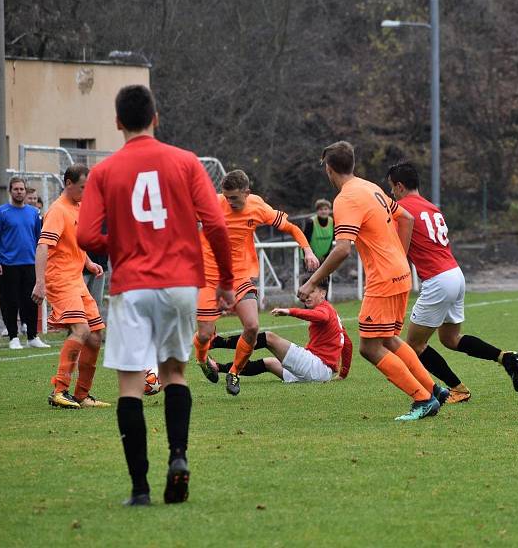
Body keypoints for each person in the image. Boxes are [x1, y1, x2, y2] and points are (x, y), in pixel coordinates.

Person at [77, 84, 235, 507]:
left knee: (130, 385)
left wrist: (122, 245)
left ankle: (140, 489)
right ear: (156, 118)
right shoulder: (184, 162)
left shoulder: (105, 172)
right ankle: (178, 458)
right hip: (180, 284)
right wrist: (225, 281)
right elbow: (216, 225)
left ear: (116, 123)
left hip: (131, 286)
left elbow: (86, 235)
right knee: (174, 375)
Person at [298, 141, 448, 422]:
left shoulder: (345, 199)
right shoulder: (371, 187)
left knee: (369, 347)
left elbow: (342, 248)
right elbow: (406, 217)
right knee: (388, 339)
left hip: (384, 278)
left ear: (329, 169)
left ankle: (422, 398)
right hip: (401, 273)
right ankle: (433, 389)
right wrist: (399, 257)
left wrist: (311, 282)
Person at [387, 162, 518, 403]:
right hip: (455, 274)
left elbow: (401, 249)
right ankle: (505, 357)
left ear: (399, 186)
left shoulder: (402, 209)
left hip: (438, 280)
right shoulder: (432, 208)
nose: (390, 193)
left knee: (414, 345)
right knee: (450, 339)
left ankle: (457, 389)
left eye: (391, 188)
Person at [194, 169, 320, 397]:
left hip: (240, 275)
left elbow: (290, 227)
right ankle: (203, 360)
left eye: (234, 197)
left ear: (247, 192)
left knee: (252, 326)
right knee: (204, 335)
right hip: (209, 276)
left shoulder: (258, 207)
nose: (228, 202)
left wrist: (308, 250)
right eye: (225, 196)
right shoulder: (211, 203)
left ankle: (234, 372)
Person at [32, 164, 109, 409]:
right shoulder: (57, 210)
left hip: (76, 278)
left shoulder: (80, 207)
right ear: (68, 183)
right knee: (81, 330)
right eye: (83, 187)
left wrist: (89, 263)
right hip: (59, 278)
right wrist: (40, 282)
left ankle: (82, 395)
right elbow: (43, 246)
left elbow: (75, 242)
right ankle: (59, 390)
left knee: (95, 336)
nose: (87, 193)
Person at [210, 276, 353, 382]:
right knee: (269, 363)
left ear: (323, 293)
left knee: (269, 338)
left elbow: (320, 317)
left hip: (316, 367)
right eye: (306, 291)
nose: (307, 296)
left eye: (312, 291)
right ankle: (218, 367)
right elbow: (347, 343)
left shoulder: (325, 310)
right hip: (320, 373)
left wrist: (290, 311)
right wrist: (343, 374)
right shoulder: (333, 313)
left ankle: (217, 342)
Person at [0, 177, 50, 349]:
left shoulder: (32, 213)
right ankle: (13, 337)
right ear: (10, 191)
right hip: (8, 264)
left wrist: (42, 261)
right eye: (16, 189)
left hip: (30, 263)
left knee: (31, 301)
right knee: (10, 301)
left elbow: (40, 239)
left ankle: (32, 336)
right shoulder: (1, 212)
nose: (19, 192)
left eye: (22, 189)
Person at [301, 198, 334, 264]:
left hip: (325, 257)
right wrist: (311, 255)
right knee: (312, 274)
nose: (323, 211)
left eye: (326, 209)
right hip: (310, 256)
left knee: (326, 274)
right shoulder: (311, 222)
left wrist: (326, 255)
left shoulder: (332, 222)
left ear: (329, 210)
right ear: (317, 211)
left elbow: (332, 240)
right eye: (321, 209)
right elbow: (305, 241)